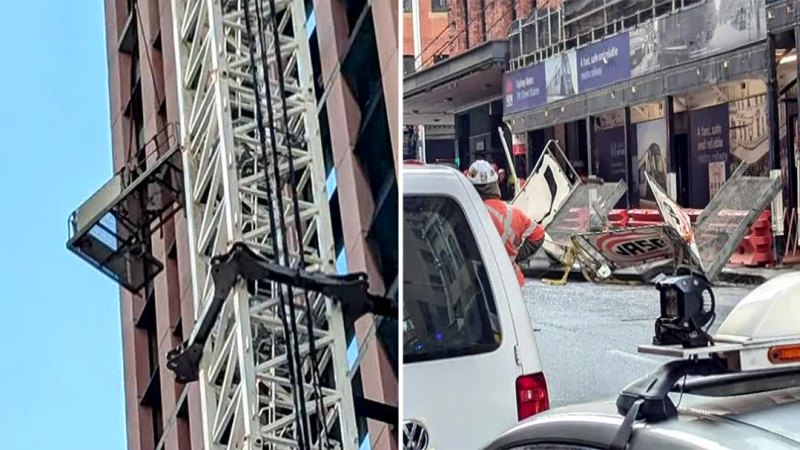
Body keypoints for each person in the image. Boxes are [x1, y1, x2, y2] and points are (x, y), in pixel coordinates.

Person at [467, 160, 545, 286]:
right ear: (495, 184)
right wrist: (517, 256)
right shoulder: (513, 213)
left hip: (481, 285)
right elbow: (538, 235)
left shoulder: (467, 214)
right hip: (512, 282)